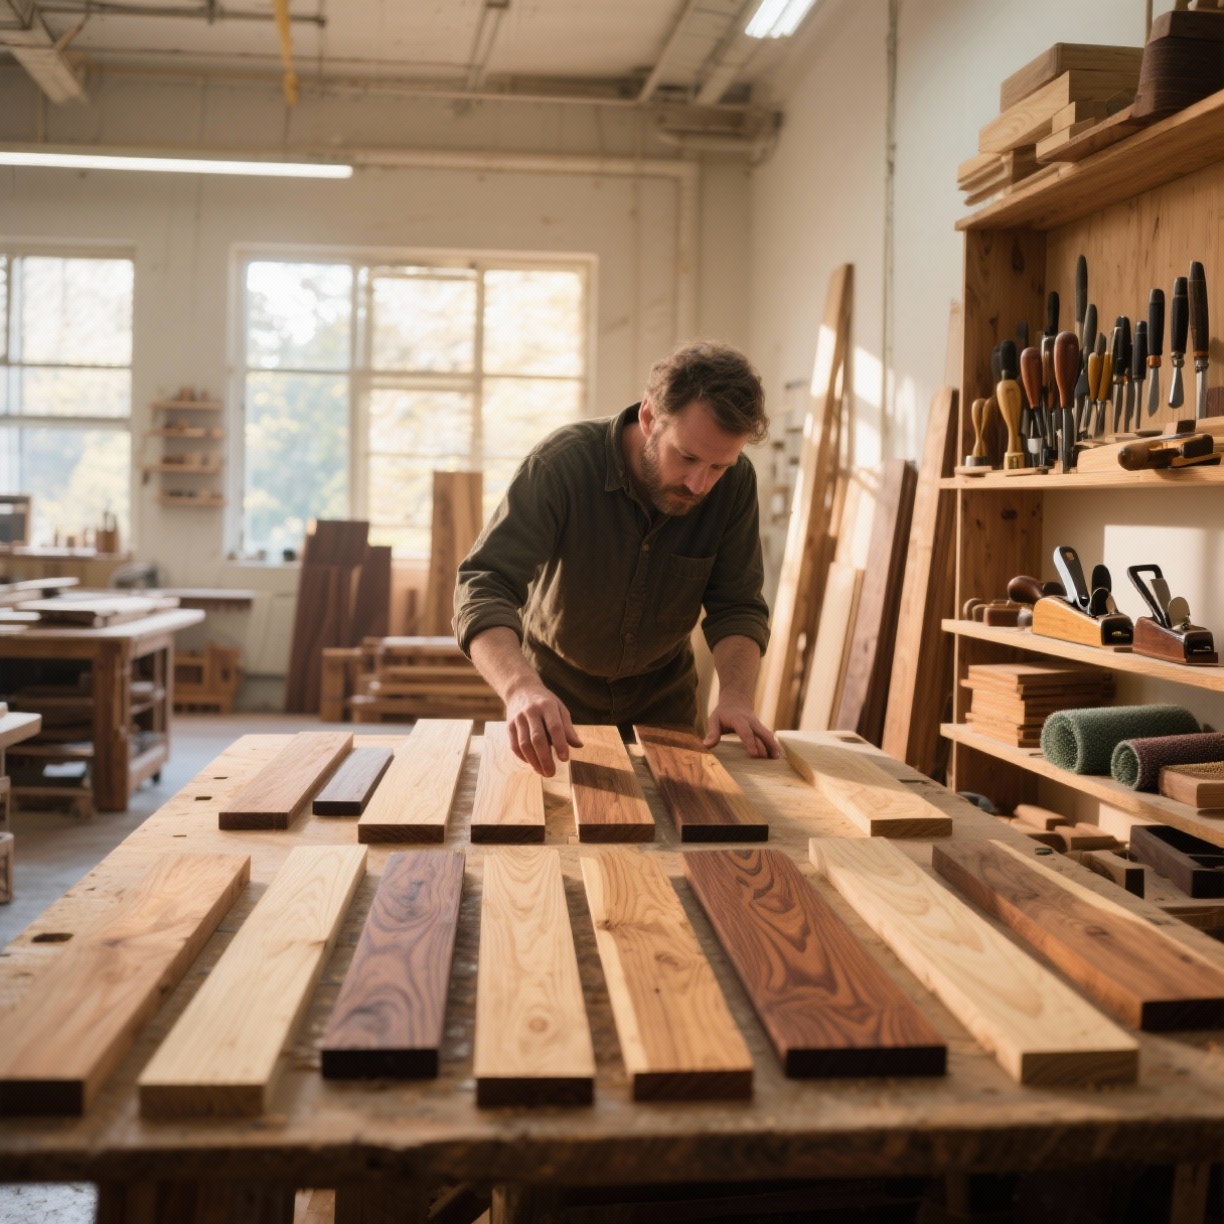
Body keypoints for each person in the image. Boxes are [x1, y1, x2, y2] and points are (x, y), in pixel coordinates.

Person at [454, 340, 780, 776]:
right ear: (649, 418)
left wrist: (737, 697)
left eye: (719, 466)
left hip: (666, 701)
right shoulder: (560, 466)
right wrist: (518, 688)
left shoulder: (735, 484)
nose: (700, 484)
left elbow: (737, 605)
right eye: (686, 457)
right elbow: (483, 584)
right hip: (554, 702)